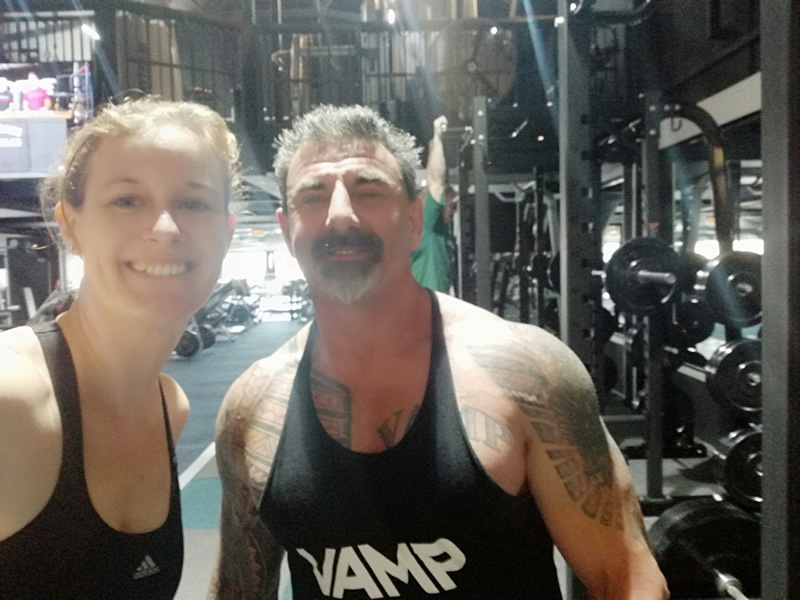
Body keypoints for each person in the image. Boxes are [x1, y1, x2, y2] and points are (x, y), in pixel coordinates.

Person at [211, 104, 668, 599]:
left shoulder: (528, 373)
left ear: (413, 219)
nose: (340, 214)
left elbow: (627, 577)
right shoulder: (252, 407)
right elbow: (237, 591)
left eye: (368, 191)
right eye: (313, 196)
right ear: (287, 229)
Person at [0, 96, 238, 598]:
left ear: (226, 231)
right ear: (71, 226)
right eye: (128, 200)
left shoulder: (168, 407)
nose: (165, 229)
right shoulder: (11, 399)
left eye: (193, 202)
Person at [410, 115, 456, 293]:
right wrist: (437, 137)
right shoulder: (427, 223)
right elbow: (437, 181)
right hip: (426, 302)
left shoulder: (436, 230)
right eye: (450, 204)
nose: (452, 210)